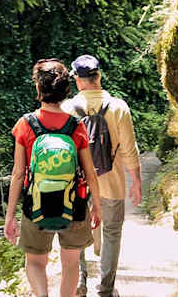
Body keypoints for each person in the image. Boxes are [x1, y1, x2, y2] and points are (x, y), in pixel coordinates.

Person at [5, 59, 104, 297]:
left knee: (36, 262)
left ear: (39, 88)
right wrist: (96, 207)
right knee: (70, 264)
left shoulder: (25, 125)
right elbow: (90, 172)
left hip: (35, 204)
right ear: (65, 90)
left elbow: (18, 174)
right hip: (75, 204)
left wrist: (10, 216)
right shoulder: (75, 126)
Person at [63, 54, 141, 297]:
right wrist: (136, 180)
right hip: (111, 183)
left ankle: (79, 282)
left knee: (76, 231)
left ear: (78, 80)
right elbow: (129, 148)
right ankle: (104, 290)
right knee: (112, 232)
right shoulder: (119, 107)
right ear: (98, 76)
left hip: (76, 184)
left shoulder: (66, 109)